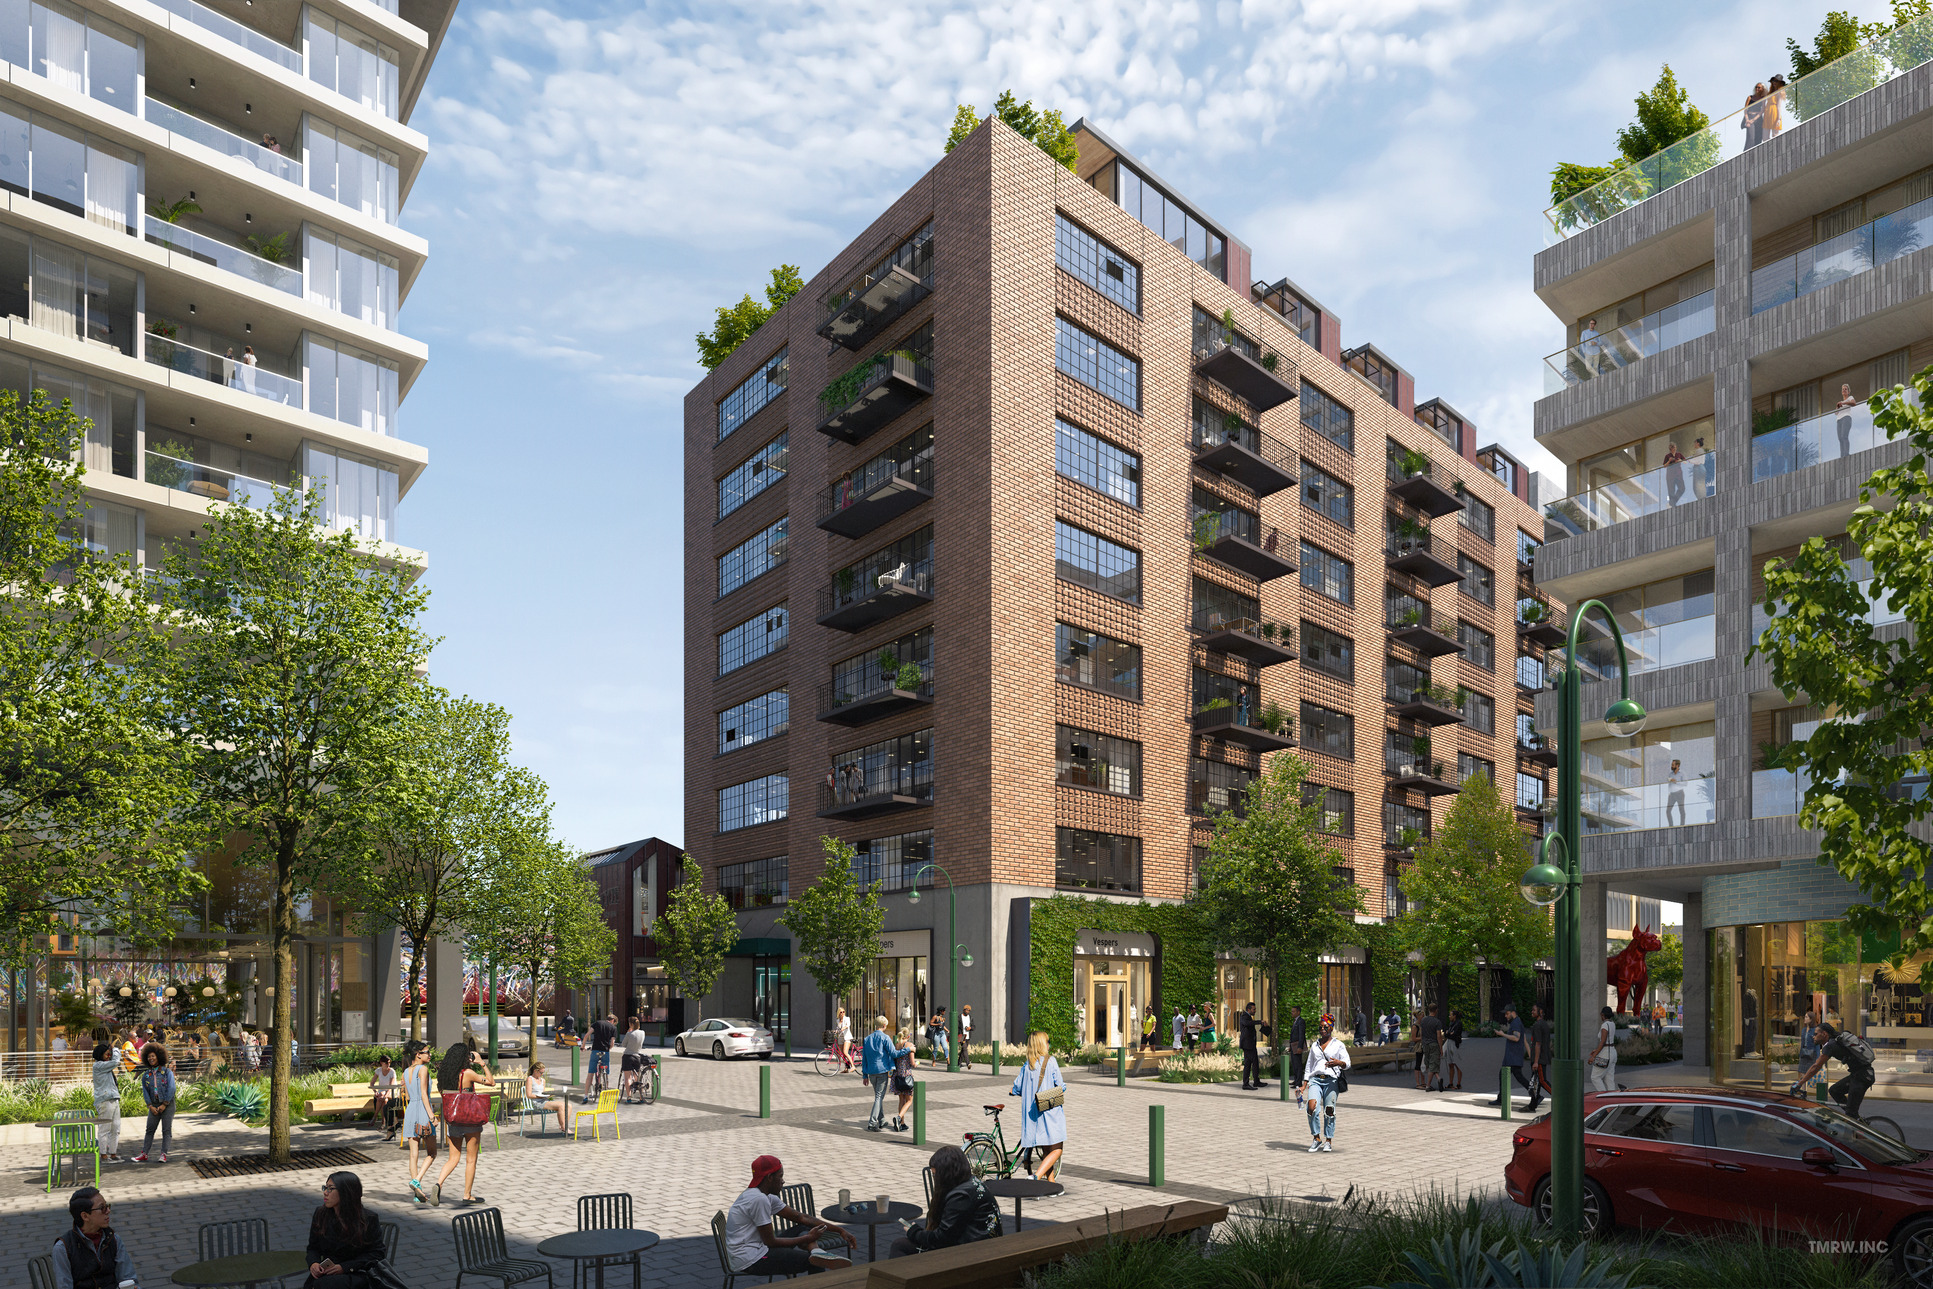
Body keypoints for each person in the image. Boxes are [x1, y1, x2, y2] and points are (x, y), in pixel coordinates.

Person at [726, 1155, 853, 1276]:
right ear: (770, 1177)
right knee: (814, 1263)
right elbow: (771, 1242)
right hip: (751, 1260)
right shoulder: (759, 1200)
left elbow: (802, 1218)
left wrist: (839, 1230)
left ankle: (817, 1252)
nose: (783, 1181)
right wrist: (807, 1238)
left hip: (759, 1249)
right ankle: (817, 1256)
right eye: (780, 1176)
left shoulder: (764, 1195)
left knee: (802, 1228)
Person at [889, 1145, 1002, 1257]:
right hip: (982, 1246)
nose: (935, 1179)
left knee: (899, 1245)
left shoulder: (961, 1196)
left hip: (971, 1254)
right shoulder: (972, 1183)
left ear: (946, 1174)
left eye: (935, 1174)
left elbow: (941, 1239)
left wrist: (915, 1232)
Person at [432, 1044, 497, 1206]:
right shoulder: (467, 1073)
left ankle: (438, 1183)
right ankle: (467, 1195)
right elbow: (491, 1082)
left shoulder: (444, 1075)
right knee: (471, 1159)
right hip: (470, 1120)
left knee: (453, 1158)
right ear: (464, 1058)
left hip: (453, 1120)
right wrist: (481, 1063)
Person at [304, 1172, 384, 1289]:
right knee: (320, 1284)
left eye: (330, 1189)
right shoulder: (321, 1214)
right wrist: (314, 1263)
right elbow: (313, 1248)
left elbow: (377, 1253)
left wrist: (344, 1267)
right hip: (327, 1273)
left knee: (326, 1285)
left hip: (357, 1273)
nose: (325, 1192)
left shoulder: (368, 1218)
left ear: (346, 1192)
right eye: (325, 1187)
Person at [51, 1186, 136, 1289]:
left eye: (107, 1206)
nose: (108, 1211)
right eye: (102, 1208)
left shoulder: (114, 1239)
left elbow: (128, 1279)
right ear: (85, 1216)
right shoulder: (62, 1248)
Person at [1010, 1031, 1066, 1182]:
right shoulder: (1051, 1061)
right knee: (1057, 1149)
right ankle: (1036, 1176)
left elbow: (1016, 1088)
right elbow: (1061, 1086)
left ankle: (1051, 1183)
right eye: (1047, 1042)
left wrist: (1014, 1092)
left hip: (1034, 1116)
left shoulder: (1027, 1065)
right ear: (1042, 1044)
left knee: (1047, 1149)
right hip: (1049, 1112)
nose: (1049, 1045)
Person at [1792, 1020, 1877, 1118]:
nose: (1813, 1036)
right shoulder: (1835, 1042)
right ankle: (1854, 1117)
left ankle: (1856, 1122)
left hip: (1862, 1077)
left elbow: (1816, 1066)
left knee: (1850, 1113)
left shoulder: (1830, 1045)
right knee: (1834, 1091)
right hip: (1859, 1075)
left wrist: (1800, 1083)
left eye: (1816, 1034)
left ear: (1824, 1034)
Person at [1301, 1015, 1351, 1153]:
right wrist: (1304, 1084)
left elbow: (1348, 1063)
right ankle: (1316, 1138)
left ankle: (1328, 1140)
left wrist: (1339, 1063)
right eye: (1320, 1027)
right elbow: (1309, 1065)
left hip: (1331, 1080)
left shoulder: (1338, 1045)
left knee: (1329, 1110)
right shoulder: (1315, 1045)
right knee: (1311, 1108)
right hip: (1315, 1080)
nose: (1322, 1029)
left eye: (1325, 1027)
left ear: (1331, 1028)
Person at [132, 1044, 176, 1163]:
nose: (151, 1058)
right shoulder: (146, 1075)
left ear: (159, 1056)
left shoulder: (167, 1072)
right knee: (149, 1130)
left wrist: (164, 1104)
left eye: (153, 1056)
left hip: (167, 1105)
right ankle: (144, 1154)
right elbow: (145, 1092)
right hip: (154, 1106)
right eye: (149, 1057)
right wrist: (150, 1106)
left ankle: (163, 1154)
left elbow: (171, 1088)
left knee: (166, 1130)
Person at [1492, 1004, 1535, 1107]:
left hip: (1512, 1056)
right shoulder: (1518, 1022)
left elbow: (1516, 1038)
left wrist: (1502, 1034)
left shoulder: (1515, 1023)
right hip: (1514, 1056)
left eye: (1507, 1014)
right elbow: (1524, 1040)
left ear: (1512, 1012)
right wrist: (1530, 1055)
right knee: (1517, 1076)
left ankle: (1501, 1099)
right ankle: (1534, 1094)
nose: (1506, 1016)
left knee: (1505, 1074)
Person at [90, 1042, 123, 1164]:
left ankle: (113, 1154)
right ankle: (104, 1155)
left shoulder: (105, 1066)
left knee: (116, 1128)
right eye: (106, 1054)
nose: (109, 1055)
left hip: (113, 1098)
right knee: (105, 1129)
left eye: (109, 1053)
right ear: (100, 1054)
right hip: (105, 1101)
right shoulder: (98, 1066)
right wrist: (115, 1049)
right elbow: (116, 1062)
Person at [862, 1014, 896, 1132]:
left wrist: (864, 1075)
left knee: (878, 1096)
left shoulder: (867, 1039)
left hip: (871, 1072)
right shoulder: (885, 1038)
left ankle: (882, 1120)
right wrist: (908, 1049)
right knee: (879, 1097)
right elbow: (894, 1053)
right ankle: (872, 1122)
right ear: (884, 1025)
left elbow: (864, 1058)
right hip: (882, 1071)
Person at [525, 1061, 568, 1134]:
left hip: (544, 1100)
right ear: (535, 1071)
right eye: (541, 1073)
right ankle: (564, 1127)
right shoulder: (530, 1079)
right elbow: (528, 1095)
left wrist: (548, 1095)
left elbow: (543, 1092)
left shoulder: (542, 1080)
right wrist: (538, 1096)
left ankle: (564, 1126)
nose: (542, 1075)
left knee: (568, 1105)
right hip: (537, 1102)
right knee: (561, 1106)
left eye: (543, 1073)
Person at [1587, 1005, 1619, 1094]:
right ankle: (1613, 1100)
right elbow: (1606, 1041)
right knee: (1609, 1079)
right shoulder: (1612, 1024)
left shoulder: (1605, 1025)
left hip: (1606, 1053)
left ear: (1602, 1015)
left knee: (1595, 1077)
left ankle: (1604, 1096)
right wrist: (1597, 1050)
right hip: (1612, 1052)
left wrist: (1594, 1056)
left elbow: (1603, 1042)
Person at [1527, 1004, 1552, 1114]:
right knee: (1535, 1082)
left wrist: (1536, 1061)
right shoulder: (1544, 1024)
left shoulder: (1538, 1025)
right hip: (1542, 1057)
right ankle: (1532, 1105)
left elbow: (1538, 1044)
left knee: (1542, 1081)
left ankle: (1559, 1099)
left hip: (1540, 1059)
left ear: (1540, 1011)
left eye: (1534, 1010)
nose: (1532, 1012)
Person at [586, 1012, 617, 1098]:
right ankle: (606, 1090)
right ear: (613, 1020)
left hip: (595, 1050)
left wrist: (583, 1046)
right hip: (605, 1052)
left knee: (591, 1073)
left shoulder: (597, 1023)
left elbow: (587, 1035)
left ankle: (586, 1094)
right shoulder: (613, 1028)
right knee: (606, 1073)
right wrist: (608, 1049)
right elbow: (612, 1043)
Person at [891, 1029, 916, 1132]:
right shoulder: (909, 1045)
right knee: (909, 1100)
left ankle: (902, 1123)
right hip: (906, 1075)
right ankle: (898, 1117)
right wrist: (916, 1064)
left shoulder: (897, 1045)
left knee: (901, 1100)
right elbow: (912, 1063)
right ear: (908, 1036)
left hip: (897, 1076)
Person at [369, 1055, 398, 1139]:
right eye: (386, 1063)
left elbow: (391, 1086)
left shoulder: (392, 1071)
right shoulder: (378, 1070)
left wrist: (385, 1095)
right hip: (382, 1091)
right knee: (381, 1098)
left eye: (389, 1063)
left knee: (383, 1099)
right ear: (382, 1063)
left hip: (391, 1091)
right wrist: (375, 1092)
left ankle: (375, 1118)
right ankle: (383, 1122)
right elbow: (372, 1083)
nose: (388, 1064)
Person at [1238, 1001, 1265, 1091]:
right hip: (1247, 1045)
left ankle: (1255, 1081)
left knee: (1253, 1063)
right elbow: (1248, 1023)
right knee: (1249, 1064)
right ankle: (1246, 1084)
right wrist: (1259, 1022)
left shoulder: (1248, 1017)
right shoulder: (1244, 1016)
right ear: (1248, 1009)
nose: (1255, 1011)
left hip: (1250, 1045)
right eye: (1254, 1009)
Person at [619, 1016, 646, 1099]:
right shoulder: (642, 1033)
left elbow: (623, 1044)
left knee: (627, 1078)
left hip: (628, 1056)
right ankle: (641, 1097)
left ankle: (629, 1096)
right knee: (637, 1076)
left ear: (630, 1024)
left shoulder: (629, 1034)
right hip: (637, 1056)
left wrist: (629, 1031)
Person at [1419, 1006, 1443, 1093]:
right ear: (1436, 1010)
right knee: (1434, 1063)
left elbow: (1421, 1033)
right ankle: (1428, 1085)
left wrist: (1423, 1042)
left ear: (1429, 1010)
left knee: (1429, 1063)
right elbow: (1439, 1036)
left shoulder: (1423, 1020)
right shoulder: (1437, 1022)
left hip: (1425, 1044)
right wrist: (1441, 1048)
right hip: (1434, 1044)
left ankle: (1437, 1078)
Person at [1442, 1009, 1465, 1091]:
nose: (1449, 1016)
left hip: (1455, 1044)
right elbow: (1447, 1034)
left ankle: (1458, 1084)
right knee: (1450, 1064)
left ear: (1454, 1016)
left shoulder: (1458, 1023)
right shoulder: (1451, 1023)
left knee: (1457, 1064)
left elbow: (1453, 1035)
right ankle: (1450, 1083)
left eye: (1450, 1015)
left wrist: (1448, 1034)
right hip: (1449, 1043)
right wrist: (1448, 1033)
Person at [1743, 82, 1768, 148]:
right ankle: (1747, 154)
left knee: (1758, 137)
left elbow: (1762, 110)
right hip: (1749, 117)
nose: (1757, 88)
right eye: (1756, 87)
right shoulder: (1750, 97)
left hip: (1758, 118)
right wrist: (1747, 120)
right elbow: (1745, 110)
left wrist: (1754, 119)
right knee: (1751, 137)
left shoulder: (1763, 98)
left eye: (1759, 87)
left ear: (1762, 89)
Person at [1288, 1005, 1307, 1092]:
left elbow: (1301, 1035)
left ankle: (1298, 1082)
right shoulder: (1295, 1021)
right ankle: (1296, 1080)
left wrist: (1300, 1047)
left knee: (1298, 1064)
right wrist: (1290, 1047)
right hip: (1293, 1046)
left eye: (1293, 1011)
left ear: (1298, 1012)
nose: (1292, 1013)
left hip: (1297, 1046)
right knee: (1294, 1064)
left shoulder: (1301, 1021)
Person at [1837, 383, 1858, 460]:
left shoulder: (1850, 398)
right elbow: (1836, 413)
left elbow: (1854, 403)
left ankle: (1846, 454)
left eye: (1845, 389)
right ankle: (1842, 455)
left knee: (1844, 436)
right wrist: (1837, 406)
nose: (1844, 390)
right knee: (1840, 438)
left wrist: (1844, 403)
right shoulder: (1841, 401)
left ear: (1848, 391)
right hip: (1839, 419)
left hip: (1846, 417)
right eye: (1843, 389)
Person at [1663, 439, 1686, 505]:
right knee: (1671, 490)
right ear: (1671, 449)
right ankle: (1672, 504)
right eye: (1673, 448)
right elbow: (1664, 466)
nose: (1674, 449)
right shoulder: (1667, 456)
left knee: (1682, 488)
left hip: (1678, 473)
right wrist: (1669, 461)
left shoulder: (1679, 454)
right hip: (1670, 474)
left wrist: (1680, 460)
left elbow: (1685, 462)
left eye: (1675, 447)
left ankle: (1673, 502)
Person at [1664, 759, 1686, 828]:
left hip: (1679, 793)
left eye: (1673, 765)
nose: (1671, 766)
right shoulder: (1670, 774)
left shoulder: (1682, 773)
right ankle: (1671, 826)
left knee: (1681, 810)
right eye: (1671, 764)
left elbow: (1685, 783)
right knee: (1668, 811)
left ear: (1677, 765)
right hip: (1672, 794)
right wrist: (1669, 780)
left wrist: (1676, 782)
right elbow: (1667, 779)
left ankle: (1682, 825)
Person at [1764, 74, 1787, 141]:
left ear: (1779, 83)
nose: (1774, 82)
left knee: (1775, 134)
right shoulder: (1771, 92)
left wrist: (1778, 119)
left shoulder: (1780, 92)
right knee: (1765, 136)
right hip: (1767, 112)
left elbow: (1779, 106)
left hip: (1774, 112)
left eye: (1776, 81)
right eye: (1773, 81)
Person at [834, 1008, 854, 1073]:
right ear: (838, 1013)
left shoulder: (847, 1018)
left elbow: (848, 1025)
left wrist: (844, 1027)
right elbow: (838, 1028)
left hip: (847, 1037)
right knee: (842, 1054)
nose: (842, 1013)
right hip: (840, 1038)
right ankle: (846, 1068)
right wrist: (835, 1031)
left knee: (845, 1052)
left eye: (843, 1012)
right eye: (841, 1012)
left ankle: (853, 1066)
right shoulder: (838, 1020)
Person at [959, 1004, 974, 1070]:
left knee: (963, 1051)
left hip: (968, 1036)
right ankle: (968, 1063)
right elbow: (957, 1026)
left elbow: (974, 1026)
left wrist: (970, 1028)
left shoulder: (970, 1017)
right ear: (964, 1010)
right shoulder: (959, 1017)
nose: (967, 1011)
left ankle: (958, 1063)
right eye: (966, 1010)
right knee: (965, 1049)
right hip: (962, 1036)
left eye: (969, 1010)